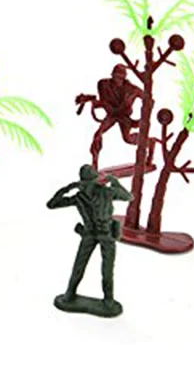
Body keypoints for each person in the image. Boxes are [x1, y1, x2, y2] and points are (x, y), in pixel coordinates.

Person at [47, 164, 132, 315]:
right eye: (84, 184)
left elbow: (129, 197)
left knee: (107, 269)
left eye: (88, 184)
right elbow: (52, 204)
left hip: (106, 234)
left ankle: (108, 299)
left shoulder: (105, 192)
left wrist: (115, 182)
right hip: (89, 235)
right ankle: (70, 294)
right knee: (79, 265)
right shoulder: (80, 197)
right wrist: (66, 189)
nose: (86, 187)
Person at [76, 64, 145, 169]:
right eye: (116, 76)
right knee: (98, 135)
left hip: (124, 117)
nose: (118, 80)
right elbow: (102, 101)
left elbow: (148, 99)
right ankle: (94, 163)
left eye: (120, 77)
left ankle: (148, 143)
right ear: (112, 75)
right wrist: (88, 100)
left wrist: (144, 115)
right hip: (111, 115)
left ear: (124, 77)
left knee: (127, 138)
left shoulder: (132, 89)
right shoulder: (104, 85)